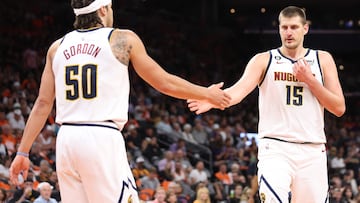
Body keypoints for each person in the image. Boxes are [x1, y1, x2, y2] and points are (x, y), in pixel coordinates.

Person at [8, 0, 231, 203]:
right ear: (103, 9)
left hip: (66, 140)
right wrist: (206, 93)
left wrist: (23, 152)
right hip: (101, 137)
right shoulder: (121, 39)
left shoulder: (57, 47)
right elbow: (163, 82)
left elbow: (42, 103)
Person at [188, 6, 345, 202]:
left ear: (305, 28)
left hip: (312, 150)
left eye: (294, 27)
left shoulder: (323, 59)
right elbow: (237, 92)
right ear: (279, 29)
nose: (289, 32)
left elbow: (339, 108)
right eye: (284, 27)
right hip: (275, 147)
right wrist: (212, 99)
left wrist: (310, 80)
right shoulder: (264, 60)